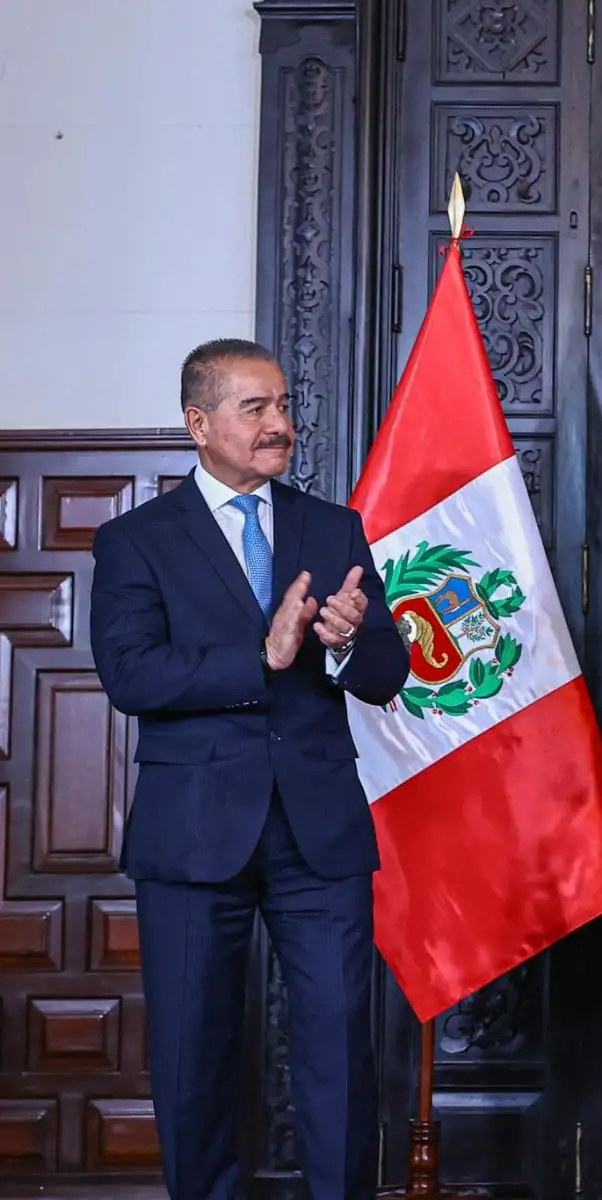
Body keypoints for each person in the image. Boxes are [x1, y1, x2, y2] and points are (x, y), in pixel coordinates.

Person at [90, 339, 410, 1200]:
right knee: (192, 1052)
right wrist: (260, 658)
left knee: (340, 1046)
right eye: (255, 408)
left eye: (283, 406)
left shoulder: (333, 527)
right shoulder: (135, 540)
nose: (280, 424)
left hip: (319, 831)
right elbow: (131, 676)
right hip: (193, 833)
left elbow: (387, 672)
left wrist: (346, 644)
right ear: (199, 423)